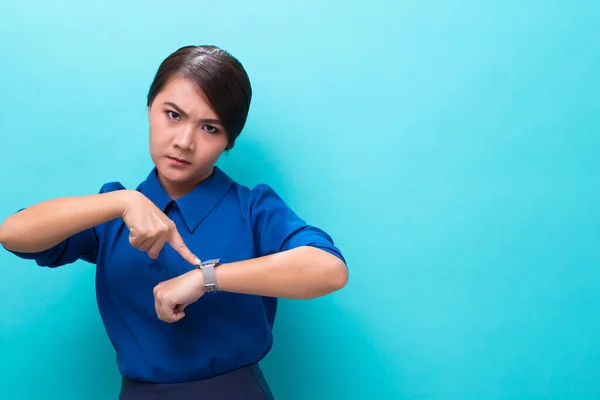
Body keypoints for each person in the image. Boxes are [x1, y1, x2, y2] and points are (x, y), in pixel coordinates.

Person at [0, 45, 348, 399]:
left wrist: (206, 278)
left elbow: (329, 269)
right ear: (150, 107)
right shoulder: (111, 212)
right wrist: (122, 201)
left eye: (210, 128)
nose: (184, 142)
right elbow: (12, 234)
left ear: (229, 140)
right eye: (174, 115)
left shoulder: (253, 208)